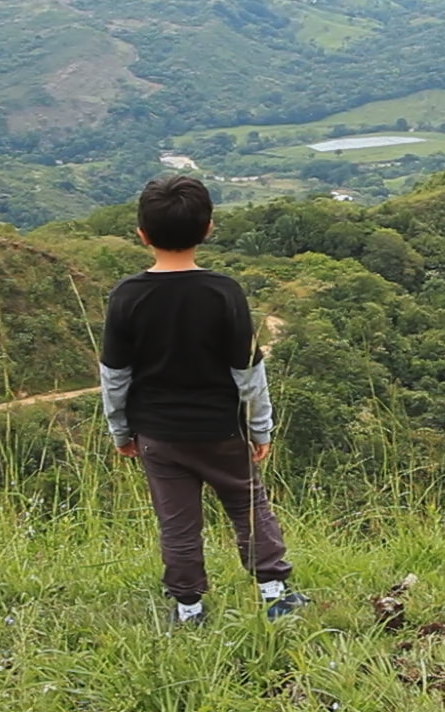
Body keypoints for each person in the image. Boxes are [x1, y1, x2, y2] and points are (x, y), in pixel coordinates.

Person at [100, 175, 305, 626]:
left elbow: (115, 377)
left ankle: (189, 609)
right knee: (249, 507)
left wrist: (120, 431)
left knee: (178, 524)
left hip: (159, 435)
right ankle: (275, 595)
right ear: (209, 228)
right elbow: (248, 373)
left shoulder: (126, 297)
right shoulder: (223, 292)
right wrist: (259, 428)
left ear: (142, 234)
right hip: (222, 431)